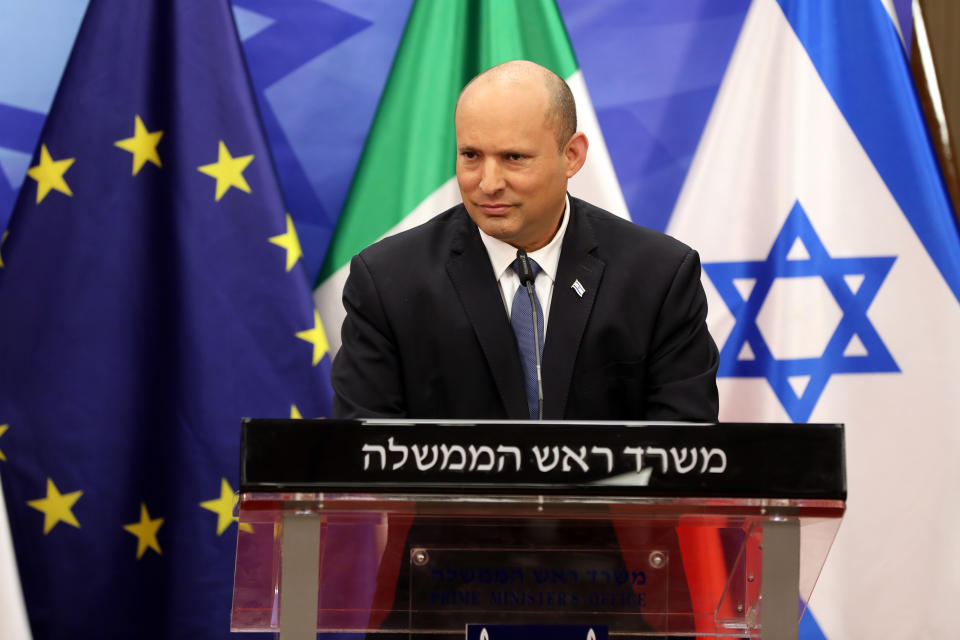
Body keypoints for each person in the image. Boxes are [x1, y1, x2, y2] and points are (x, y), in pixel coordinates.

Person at [331, 59, 718, 422]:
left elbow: (684, 455)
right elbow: (365, 456)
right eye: (471, 155)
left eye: (514, 158)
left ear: (572, 155)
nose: (488, 183)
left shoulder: (659, 276)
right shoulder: (387, 280)